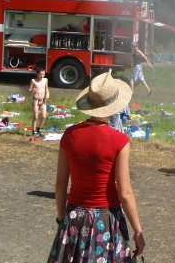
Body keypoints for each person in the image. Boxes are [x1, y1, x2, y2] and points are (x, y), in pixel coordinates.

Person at [48, 71, 144, 261]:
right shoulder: (120, 141)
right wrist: (138, 231)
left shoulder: (69, 135)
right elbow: (125, 193)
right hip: (106, 220)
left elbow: (60, 186)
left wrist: (62, 218)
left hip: (74, 217)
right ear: (113, 106)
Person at [28, 67, 49, 137]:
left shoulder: (45, 80)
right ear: (37, 74)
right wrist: (32, 90)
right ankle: (33, 131)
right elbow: (29, 89)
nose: (42, 76)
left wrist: (47, 94)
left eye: (43, 74)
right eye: (40, 74)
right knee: (35, 117)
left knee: (44, 116)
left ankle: (39, 128)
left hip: (42, 100)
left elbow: (46, 88)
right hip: (36, 100)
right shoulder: (33, 81)